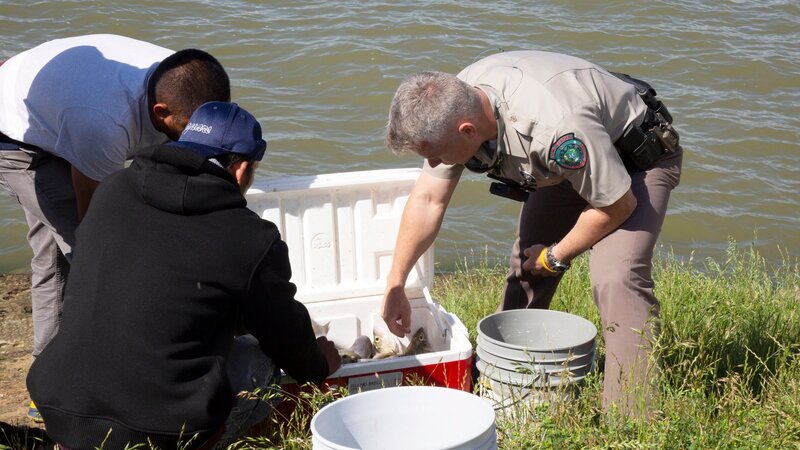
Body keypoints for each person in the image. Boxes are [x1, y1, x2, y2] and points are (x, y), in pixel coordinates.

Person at [381, 50, 683, 417]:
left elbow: (616, 206)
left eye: (436, 155)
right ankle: (503, 382)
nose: (432, 164)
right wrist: (396, 284)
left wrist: (554, 256)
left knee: (616, 277)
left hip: (635, 163)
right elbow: (428, 200)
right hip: (567, 164)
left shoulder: (557, 127)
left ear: (467, 131)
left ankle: (632, 417)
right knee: (525, 264)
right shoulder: (452, 100)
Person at [26, 101, 342, 448]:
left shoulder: (113, 190)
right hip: (160, 433)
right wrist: (318, 364)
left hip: (62, 409)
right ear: (241, 170)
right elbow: (285, 339)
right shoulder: (249, 237)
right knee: (260, 359)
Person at [0, 34, 231, 420]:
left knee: (53, 256)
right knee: (93, 258)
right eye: (184, 131)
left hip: (61, 100)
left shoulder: (190, 81)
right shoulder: (102, 124)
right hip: (16, 135)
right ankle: (59, 391)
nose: (193, 143)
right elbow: (98, 228)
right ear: (160, 113)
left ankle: (47, 376)